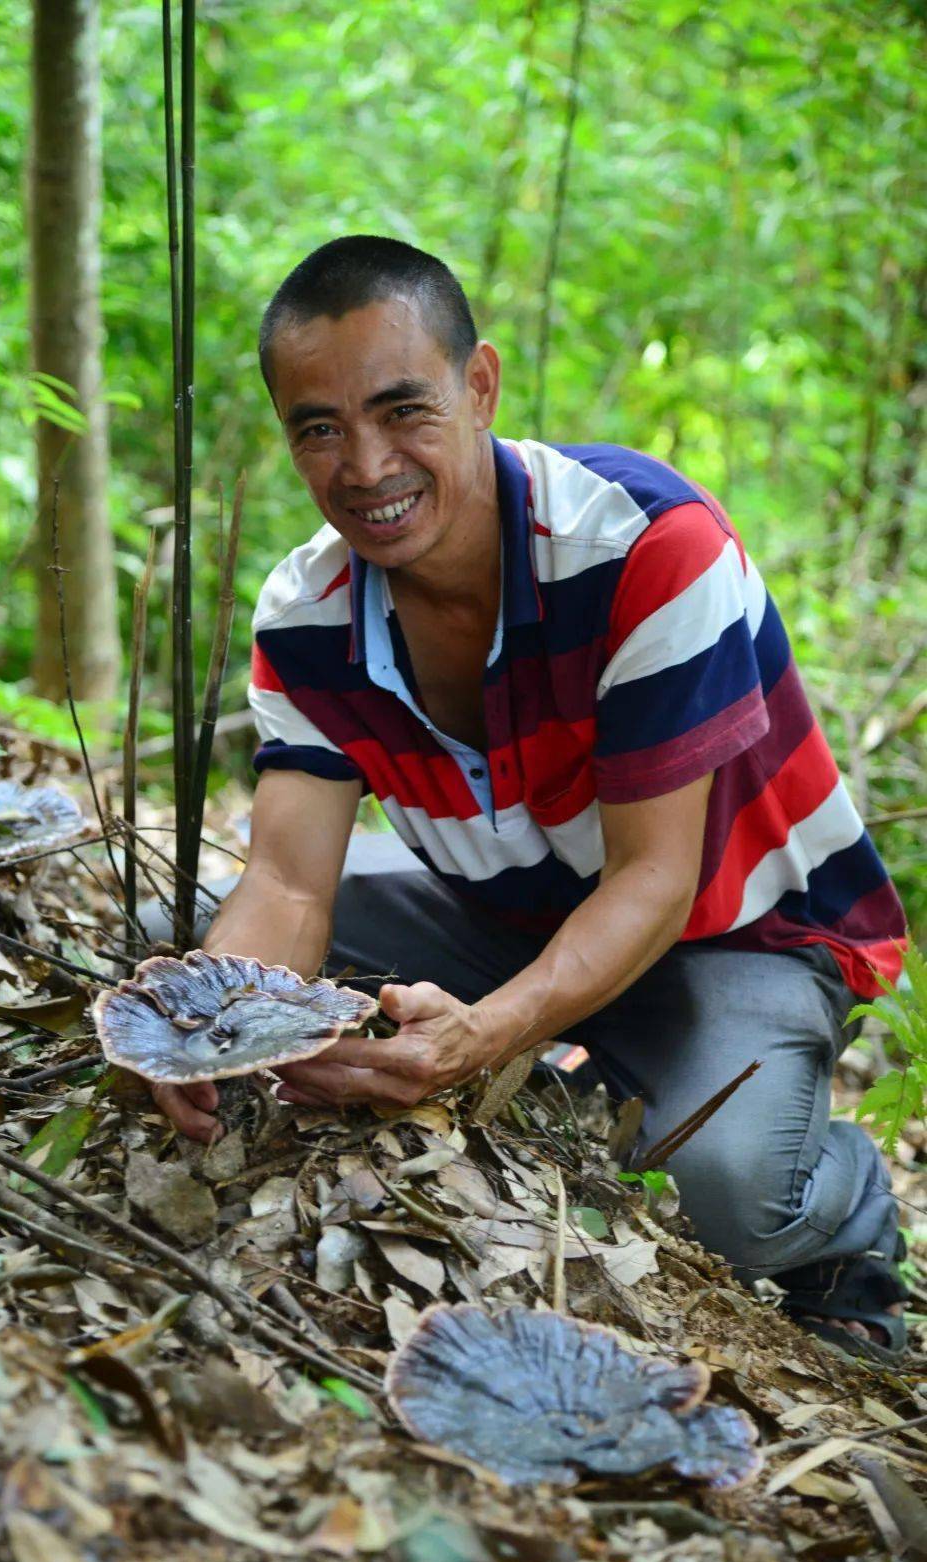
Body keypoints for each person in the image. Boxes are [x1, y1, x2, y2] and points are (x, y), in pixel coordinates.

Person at [146, 236, 909, 1362]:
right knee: (195, 960)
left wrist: (483, 1034)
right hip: (508, 918)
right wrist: (206, 1041)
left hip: (737, 929)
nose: (364, 465)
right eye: (319, 426)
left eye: (403, 409)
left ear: (482, 385)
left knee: (728, 1187)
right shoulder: (307, 611)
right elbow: (288, 877)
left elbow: (657, 880)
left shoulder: (647, 546)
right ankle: (569, 1061)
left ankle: (845, 1214)